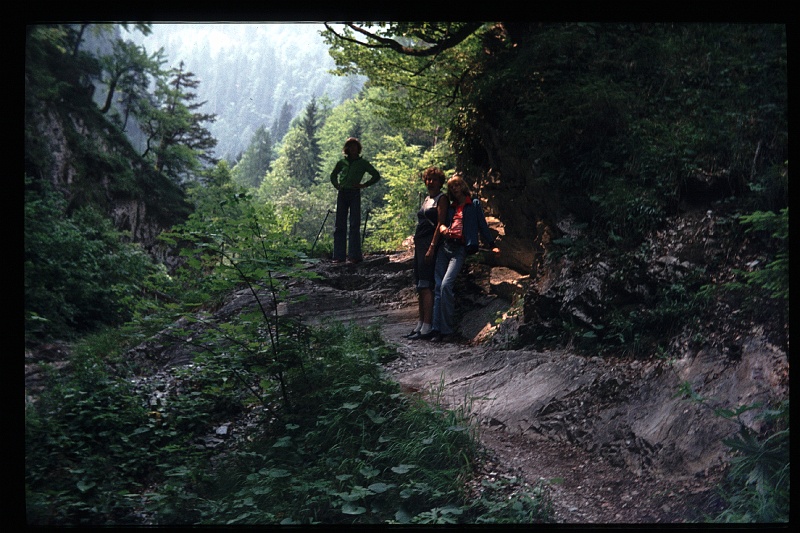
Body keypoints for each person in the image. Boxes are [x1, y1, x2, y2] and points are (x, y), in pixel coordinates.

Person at [430, 174, 500, 343]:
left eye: (457, 185)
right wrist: (444, 229)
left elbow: (482, 225)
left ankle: (446, 330)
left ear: (463, 186)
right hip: (445, 247)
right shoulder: (452, 207)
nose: (455, 189)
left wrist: (492, 245)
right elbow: (442, 223)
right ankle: (436, 329)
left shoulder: (473, 204)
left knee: (446, 285)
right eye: (452, 187)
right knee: (438, 288)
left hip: (460, 249)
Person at [406, 167, 449, 340]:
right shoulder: (426, 199)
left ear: (440, 182)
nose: (430, 182)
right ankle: (420, 324)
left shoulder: (442, 199)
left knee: (426, 285)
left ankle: (427, 326)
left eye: (434, 179)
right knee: (419, 285)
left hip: (429, 244)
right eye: (428, 179)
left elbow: (440, 223)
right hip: (419, 243)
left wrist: (432, 246)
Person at [329, 137, 381, 263]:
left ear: (358, 148)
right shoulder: (342, 162)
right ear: (347, 149)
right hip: (342, 193)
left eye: (355, 146)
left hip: (354, 193)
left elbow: (376, 175)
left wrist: (364, 185)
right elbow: (333, 175)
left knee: (354, 224)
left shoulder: (362, 163)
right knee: (339, 225)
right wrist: (337, 185)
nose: (352, 149)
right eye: (350, 147)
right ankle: (338, 256)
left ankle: (354, 256)